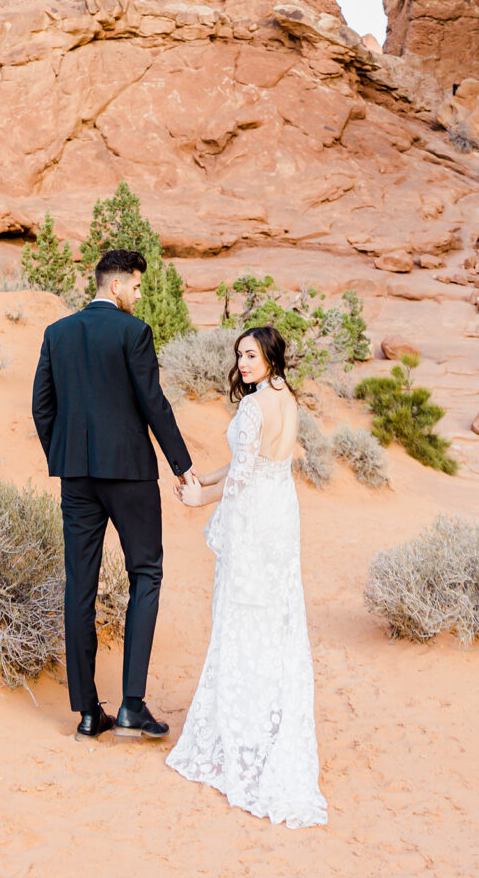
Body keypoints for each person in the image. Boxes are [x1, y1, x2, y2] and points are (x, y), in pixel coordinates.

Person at [167, 326, 327, 828]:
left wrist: (199, 499)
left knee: (241, 618)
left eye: (251, 354)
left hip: (255, 517)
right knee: (272, 618)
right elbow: (247, 465)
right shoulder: (284, 396)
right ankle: (263, 723)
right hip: (278, 513)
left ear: (270, 357)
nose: (243, 362)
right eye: (239, 354)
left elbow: (242, 477)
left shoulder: (256, 405)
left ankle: (243, 731)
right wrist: (203, 476)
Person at [32, 249, 194, 741]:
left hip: (76, 479)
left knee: (78, 586)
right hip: (128, 474)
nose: (140, 296)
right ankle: (132, 707)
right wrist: (181, 465)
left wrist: (64, 457)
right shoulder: (133, 332)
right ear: (118, 285)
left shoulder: (57, 333)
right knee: (146, 572)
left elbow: (43, 408)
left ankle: (86, 713)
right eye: (139, 287)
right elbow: (153, 403)